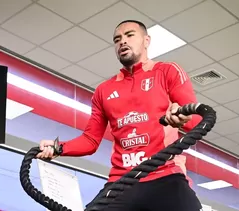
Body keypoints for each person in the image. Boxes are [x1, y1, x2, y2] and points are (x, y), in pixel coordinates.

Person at [37, 20, 203, 211]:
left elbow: (197, 121)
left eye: (129, 35)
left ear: (146, 40)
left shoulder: (167, 72)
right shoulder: (104, 90)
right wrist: (58, 148)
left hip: (165, 175)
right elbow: (90, 140)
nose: (122, 41)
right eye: (117, 39)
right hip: (122, 181)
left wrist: (184, 117)